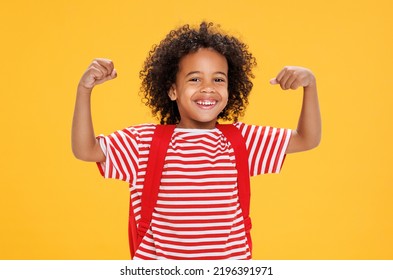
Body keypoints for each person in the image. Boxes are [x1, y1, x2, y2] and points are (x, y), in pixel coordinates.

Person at [72, 22, 321, 260]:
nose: (208, 88)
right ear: (172, 90)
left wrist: (310, 84)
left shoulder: (242, 141)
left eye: (218, 79)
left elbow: (307, 139)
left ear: (230, 89)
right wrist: (84, 90)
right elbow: (86, 150)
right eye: (194, 79)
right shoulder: (143, 143)